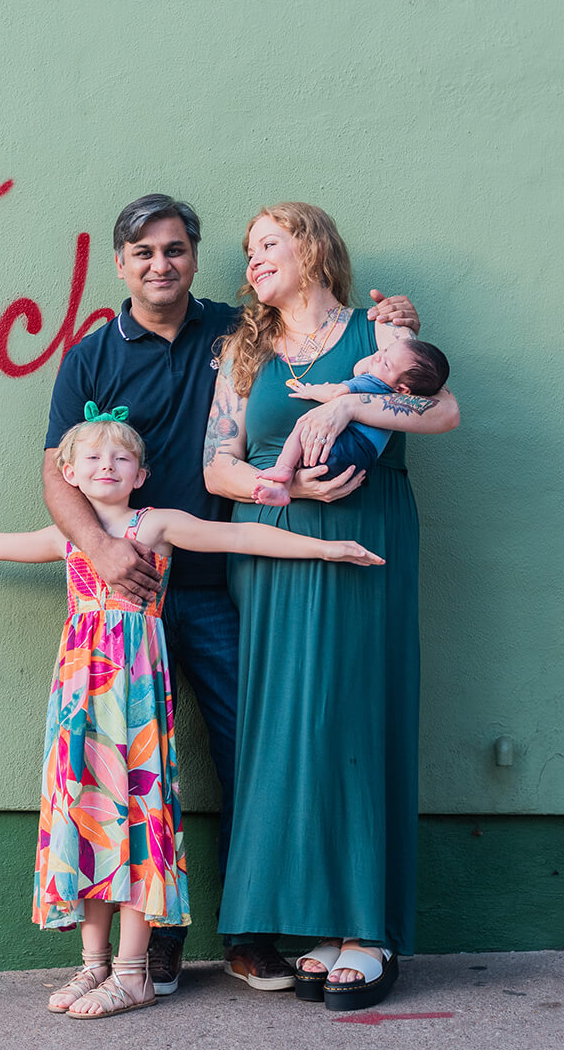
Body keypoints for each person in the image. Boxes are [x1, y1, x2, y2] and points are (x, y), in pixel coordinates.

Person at [0, 413, 382, 1021]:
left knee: (137, 818)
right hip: (80, 695)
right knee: (88, 813)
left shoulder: (158, 525)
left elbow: (240, 539)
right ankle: (94, 965)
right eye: (91, 460)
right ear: (68, 474)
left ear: (141, 474)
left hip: (136, 696)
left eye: (120, 460)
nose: (106, 468)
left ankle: (132, 973)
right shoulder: (69, 536)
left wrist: (326, 548)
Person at [41, 193, 419, 994]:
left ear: (191, 256)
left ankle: (251, 933)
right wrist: (106, 551)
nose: (161, 264)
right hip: (130, 591)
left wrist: (397, 333)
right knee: (141, 764)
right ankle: (160, 940)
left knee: (255, 746)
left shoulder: (235, 330)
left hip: (218, 580)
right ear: (122, 264)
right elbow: (56, 471)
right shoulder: (92, 354)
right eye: (144, 252)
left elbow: (395, 374)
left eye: (175, 249)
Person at [202, 202, 460, 1013]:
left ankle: (368, 929)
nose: (254, 260)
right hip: (274, 549)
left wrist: (350, 404)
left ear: (313, 249)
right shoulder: (242, 352)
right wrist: (287, 483)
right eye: (249, 251)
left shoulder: (380, 332)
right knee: (291, 725)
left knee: (357, 715)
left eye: (269, 243)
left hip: (370, 538)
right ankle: (315, 917)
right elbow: (217, 466)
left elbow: (444, 410)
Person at [251, 338, 451, 506]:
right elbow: (359, 369)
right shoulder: (396, 401)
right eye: (385, 350)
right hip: (361, 462)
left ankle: (283, 469)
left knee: (305, 423)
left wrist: (310, 390)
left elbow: (336, 392)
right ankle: (282, 489)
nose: (379, 355)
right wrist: (381, 360)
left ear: (402, 389)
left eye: (386, 363)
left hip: (343, 446)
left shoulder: (373, 383)